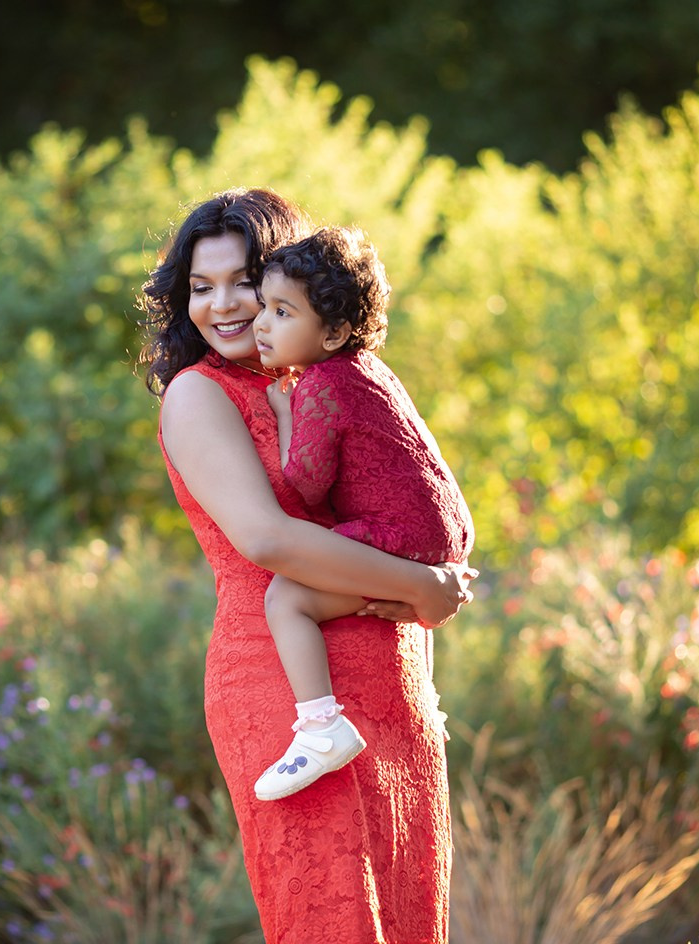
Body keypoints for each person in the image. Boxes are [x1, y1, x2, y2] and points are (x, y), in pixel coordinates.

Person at [141, 187, 474, 944]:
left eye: (243, 282)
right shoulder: (198, 396)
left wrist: (421, 596)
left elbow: (409, 501)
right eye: (200, 287)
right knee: (333, 919)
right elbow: (269, 541)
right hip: (287, 697)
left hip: (391, 685)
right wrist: (426, 590)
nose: (222, 305)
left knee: (411, 916)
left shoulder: (328, 380)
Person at [249, 226, 475, 804]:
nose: (262, 324)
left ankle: (321, 726)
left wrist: (283, 415)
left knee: (288, 596)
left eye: (282, 312)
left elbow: (304, 485)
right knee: (387, 597)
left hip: (401, 531)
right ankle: (429, 697)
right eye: (264, 308)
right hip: (442, 528)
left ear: (333, 332)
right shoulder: (370, 370)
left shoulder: (320, 384)